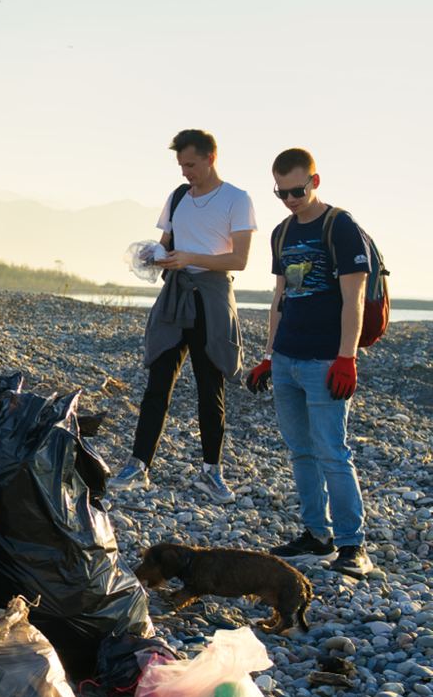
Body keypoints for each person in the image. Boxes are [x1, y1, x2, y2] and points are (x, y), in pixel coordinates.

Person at [109, 129, 255, 503]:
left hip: (211, 298)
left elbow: (238, 259)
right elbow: (167, 244)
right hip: (174, 295)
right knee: (158, 381)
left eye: (190, 164)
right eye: (181, 165)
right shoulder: (177, 198)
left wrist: (191, 258)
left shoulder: (236, 199)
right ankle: (138, 464)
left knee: (211, 387)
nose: (185, 172)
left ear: (211, 157)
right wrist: (152, 255)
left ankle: (212, 472)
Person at [248, 148, 372, 577]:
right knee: (301, 452)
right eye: (281, 193)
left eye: (296, 190)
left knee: (332, 452)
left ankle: (352, 545)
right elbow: (279, 297)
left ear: (315, 182)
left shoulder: (340, 226)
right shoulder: (281, 232)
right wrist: (268, 355)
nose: (290, 199)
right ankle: (316, 535)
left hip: (325, 361)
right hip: (286, 360)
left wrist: (346, 357)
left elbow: (354, 297)